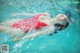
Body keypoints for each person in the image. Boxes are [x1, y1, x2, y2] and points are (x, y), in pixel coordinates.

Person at [0, 13, 69, 42]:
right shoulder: (46, 14)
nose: (62, 16)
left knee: (1, 28)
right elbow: (31, 14)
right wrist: (19, 14)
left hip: (21, 30)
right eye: (63, 14)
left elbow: (36, 34)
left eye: (64, 18)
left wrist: (21, 38)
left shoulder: (51, 28)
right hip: (20, 21)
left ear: (62, 23)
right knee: (1, 23)